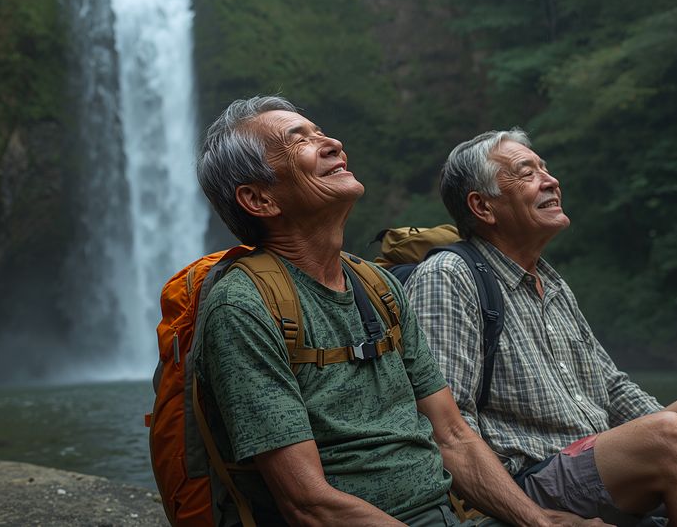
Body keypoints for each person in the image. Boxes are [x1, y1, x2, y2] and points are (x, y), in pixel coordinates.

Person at [193, 96, 606, 526]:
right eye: (299, 142)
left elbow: (453, 438)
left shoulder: (378, 286)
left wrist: (542, 523)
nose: (333, 143)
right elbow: (309, 504)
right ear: (259, 200)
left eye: (321, 132)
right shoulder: (242, 307)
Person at [405, 129, 677, 527]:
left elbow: (611, 386)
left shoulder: (551, 282)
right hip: (525, 481)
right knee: (668, 437)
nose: (551, 180)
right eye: (527, 173)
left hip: (593, 460)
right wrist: (536, 520)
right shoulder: (447, 277)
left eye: (545, 168)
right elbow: (450, 431)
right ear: (483, 206)